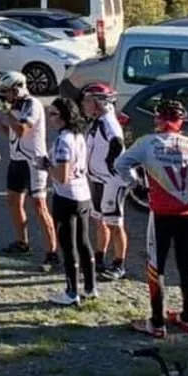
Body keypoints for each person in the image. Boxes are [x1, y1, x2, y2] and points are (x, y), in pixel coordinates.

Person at [115, 99, 188, 339]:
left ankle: (157, 323)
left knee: (156, 266)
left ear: (158, 119)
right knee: (186, 264)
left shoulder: (146, 143)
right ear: (181, 122)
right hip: (187, 211)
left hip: (160, 213)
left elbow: (120, 163)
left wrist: (135, 184)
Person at [0, 71, 59, 267]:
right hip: (17, 160)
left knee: (39, 207)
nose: (4, 96)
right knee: (13, 201)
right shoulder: (14, 106)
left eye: (7, 92)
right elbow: (14, 135)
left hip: (34, 162)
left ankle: (52, 253)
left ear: (18, 89)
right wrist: (1, 127)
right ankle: (23, 242)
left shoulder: (32, 104)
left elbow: (22, 130)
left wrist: (6, 114)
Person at [46, 97, 95, 307]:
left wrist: (45, 165)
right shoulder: (79, 136)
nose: (50, 118)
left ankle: (71, 291)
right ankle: (90, 288)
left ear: (65, 116)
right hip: (83, 195)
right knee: (84, 242)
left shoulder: (63, 140)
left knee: (68, 245)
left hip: (66, 197)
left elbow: (62, 175)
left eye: (54, 114)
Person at [81, 83, 129, 281]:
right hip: (98, 178)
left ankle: (119, 264)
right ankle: (99, 257)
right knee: (99, 219)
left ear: (98, 103)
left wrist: (111, 165)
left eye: (87, 100)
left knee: (115, 223)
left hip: (112, 181)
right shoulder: (97, 120)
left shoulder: (108, 122)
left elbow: (117, 143)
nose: (84, 104)